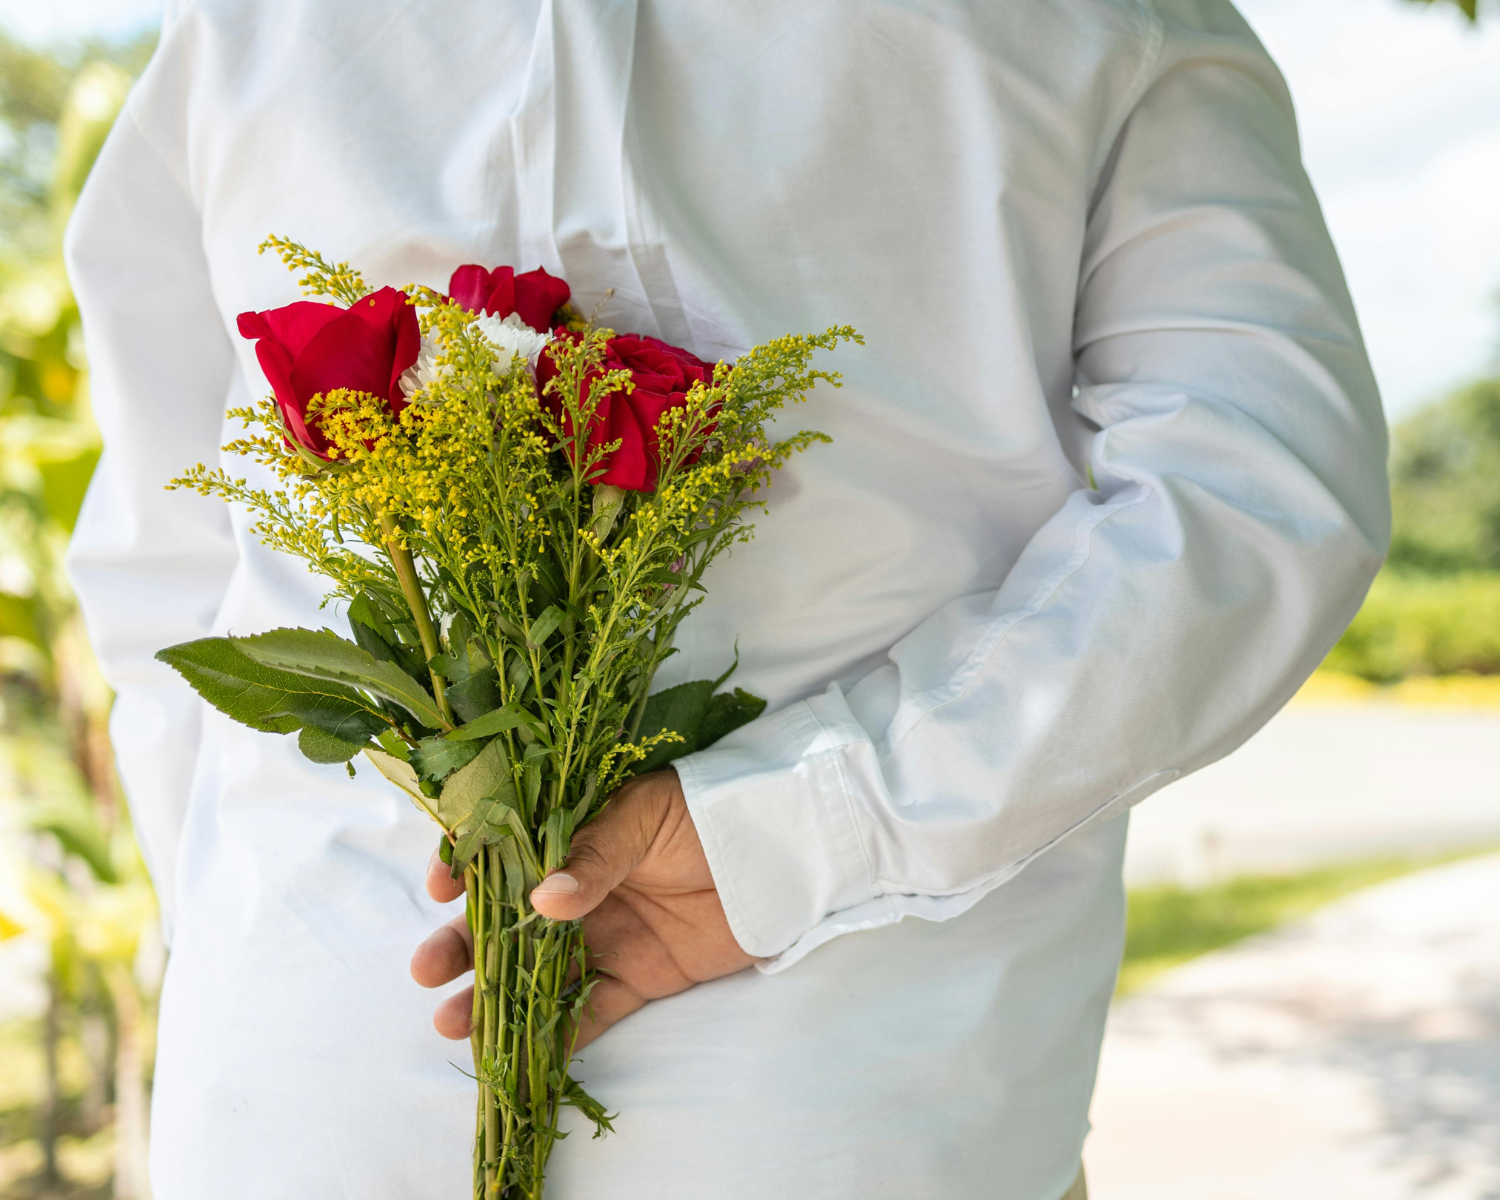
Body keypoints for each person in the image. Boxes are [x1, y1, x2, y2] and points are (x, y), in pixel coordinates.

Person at [64, 0, 1389, 1197]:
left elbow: (162, 561)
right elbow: (1255, 499)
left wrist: (248, 955)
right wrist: (801, 828)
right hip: (855, 1094)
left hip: (336, 1080)